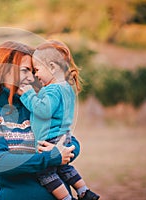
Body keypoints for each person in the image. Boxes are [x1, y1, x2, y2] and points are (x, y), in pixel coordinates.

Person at [0, 41, 81, 200]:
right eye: (25, 70)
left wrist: (68, 150)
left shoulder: (34, 104)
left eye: (34, 70)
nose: (32, 77)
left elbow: (70, 141)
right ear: (3, 71)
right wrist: (52, 157)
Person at [19, 40, 100, 200]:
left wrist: (28, 95)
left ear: (52, 67)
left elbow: (43, 110)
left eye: (37, 69)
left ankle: (65, 198)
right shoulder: (65, 87)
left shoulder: (53, 89)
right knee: (63, 168)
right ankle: (84, 191)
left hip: (51, 137)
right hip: (63, 135)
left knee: (45, 173)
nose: (35, 75)